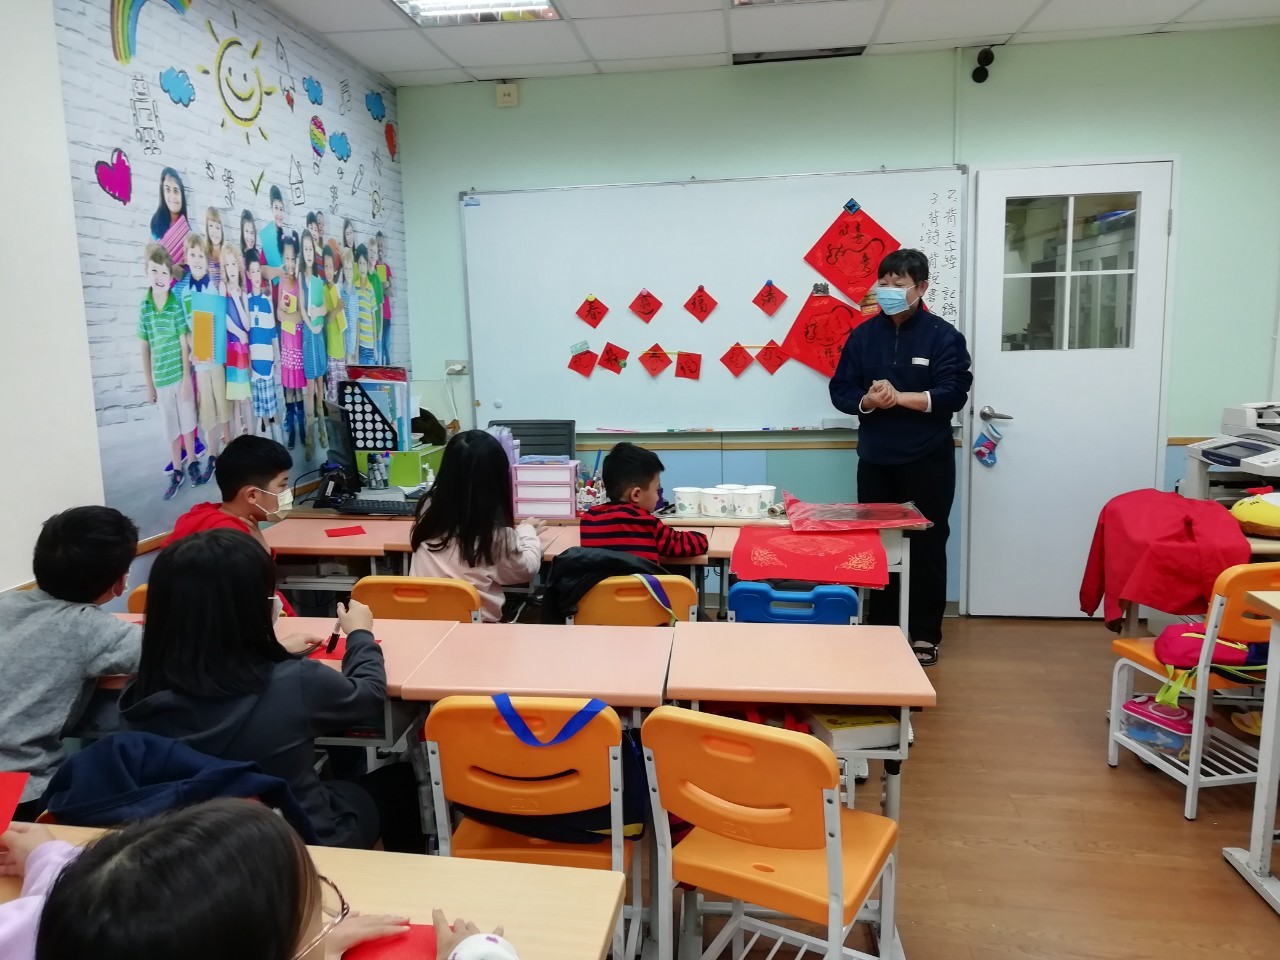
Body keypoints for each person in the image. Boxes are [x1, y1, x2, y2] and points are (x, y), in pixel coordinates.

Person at [120, 531, 422, 851]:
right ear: (253, 609)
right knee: (402, 780)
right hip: (295, 841)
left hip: (191, 843)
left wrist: (272, 650)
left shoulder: (140, 693)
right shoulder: (294, 682)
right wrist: (360, 635)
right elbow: (369, 693)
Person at [0, 800, 511, 960]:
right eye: (318, 916)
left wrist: (50, 860)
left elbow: (107, 893)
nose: (329, 921)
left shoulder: (67, 921)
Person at [829, 248, 972, 666]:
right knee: (877, 546)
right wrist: (869, 401)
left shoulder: (942, 336)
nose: (889, 290)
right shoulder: (863, 336)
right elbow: (841, 390)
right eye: (884, 283)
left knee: (927, 545)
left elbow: (953, 393)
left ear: (921, 287)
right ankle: (884, 628)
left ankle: (924, 633)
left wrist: (900, 396)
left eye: (899, 283)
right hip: (875, 458)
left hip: (927, 459)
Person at [0, 507, 141, 821]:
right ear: (119, 582)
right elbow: (169, 653)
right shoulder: (91, 628)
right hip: (21, 791)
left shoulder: (6, 602)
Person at [409, 430, 543, 623]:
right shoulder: (496, 537)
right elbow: (525, 570)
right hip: (476, 630)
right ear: (498, 479)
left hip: (424, 626)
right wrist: (527, 531)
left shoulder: (427, 510)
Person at [138, 242, 203, 499]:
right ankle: (177, 469)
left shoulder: (175, 304)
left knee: (188, 423)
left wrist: (187, 377)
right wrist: (149, 384)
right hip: (161, 379)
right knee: (171, 428)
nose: (159, 277)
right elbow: (145, 346)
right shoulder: (144, 308)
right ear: (146, 271)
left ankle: (193, 462)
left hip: (179, 377)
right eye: (154, 271)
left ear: (170, 275)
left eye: (164, 272)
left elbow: (184, 341)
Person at [580, 443, 708, 563]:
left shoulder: (589, 520)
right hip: (643, 581)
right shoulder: (645, 522)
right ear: (636, 494)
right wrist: (702, 538)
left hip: (601, 581)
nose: (658, 496)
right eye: (656, 490)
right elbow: (685, 544)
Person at [183, 232, 232, 479]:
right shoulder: (185, 293)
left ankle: (229, 449)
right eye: (192, 255)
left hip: (217, 359)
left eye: (200, 255)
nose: (197, 259)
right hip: (201, 363)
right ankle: (212, 453)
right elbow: (186, 328)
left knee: (223, 403)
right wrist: (192, 349)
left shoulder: (214, 290)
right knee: (207, 409)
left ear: (206, 259)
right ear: (186, 259)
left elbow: (221, 324)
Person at [246, 250, 285, 443]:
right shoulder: (246, 302)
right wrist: (247, 363)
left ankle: (279, 442)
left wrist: (277, 357)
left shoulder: (266, 302)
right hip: (254, 366)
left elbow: (272, 334)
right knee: (261, 409)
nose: (255, 275)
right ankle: (269, 442)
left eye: (257, 271)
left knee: (272, 407)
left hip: (267, 363)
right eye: (252, 271)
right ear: (248, 274)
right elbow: (246, 336)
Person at [276, 233, 308, 451]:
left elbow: (301, 316)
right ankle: (293, 430)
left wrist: (290, 316)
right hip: (286, 342)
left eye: (293, 259)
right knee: (288, 386)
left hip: (298, 342)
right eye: (286, 259)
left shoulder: (300, 283)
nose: (289, 263)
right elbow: (279, 313)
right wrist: (289, 316)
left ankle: (302, 426)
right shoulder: (282, 282)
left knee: (298, 386)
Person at [300, 231, 329, 460]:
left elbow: (325, 307)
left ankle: (323, 430)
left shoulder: (319, 281)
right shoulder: (301, 278)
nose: (309, 253)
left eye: (311, 248)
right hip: (308, 336)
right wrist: (311, 325)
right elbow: (301, 308)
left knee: (320, 386)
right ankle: (310, 437)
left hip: (319, 337)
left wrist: (320, 313)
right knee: (309, 388)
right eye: (305, 249)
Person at [221, 242, 254, 438]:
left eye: (234, 264)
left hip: (243, 350)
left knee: (246, 397)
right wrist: (238, 332)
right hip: (231, 350)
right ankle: (237, 438)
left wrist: (236, 299)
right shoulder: (222, 287)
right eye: (228, 265)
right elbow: (223, 317)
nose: (231, 269)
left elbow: (247, 325)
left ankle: (251, 436)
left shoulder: (242, 291)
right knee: (234, 399)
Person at [148, 166, 190, 283]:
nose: (172, 196)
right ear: (162, 193)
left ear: (182, 194)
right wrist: (171, 269)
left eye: (176, 190)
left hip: (185, 288)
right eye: (167, 190)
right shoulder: (156, 225)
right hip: (163, 287)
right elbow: (151, 263)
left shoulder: (187, 229)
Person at [321, 245, 348, 402]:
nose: (329, 270)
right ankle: (333, 413)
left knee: (342, 388)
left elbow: (341, 320)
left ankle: (341, 413)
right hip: (330, 349)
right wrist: (337, 308)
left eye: (331, 267)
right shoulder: (323, 290)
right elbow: (327, 319)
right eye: (326, 266)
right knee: (332, 390)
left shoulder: (337, 289)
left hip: (340, 348)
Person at [351, 244, 378, 364]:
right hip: (360, 344)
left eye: (364, 263)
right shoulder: (354, 287)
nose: (362, 267)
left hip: (370, 345)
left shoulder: (371, 289)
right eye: (360, 263)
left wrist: (375, 347)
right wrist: (356, 348)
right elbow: (355, 318)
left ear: (367, 265)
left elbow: (373, 318)